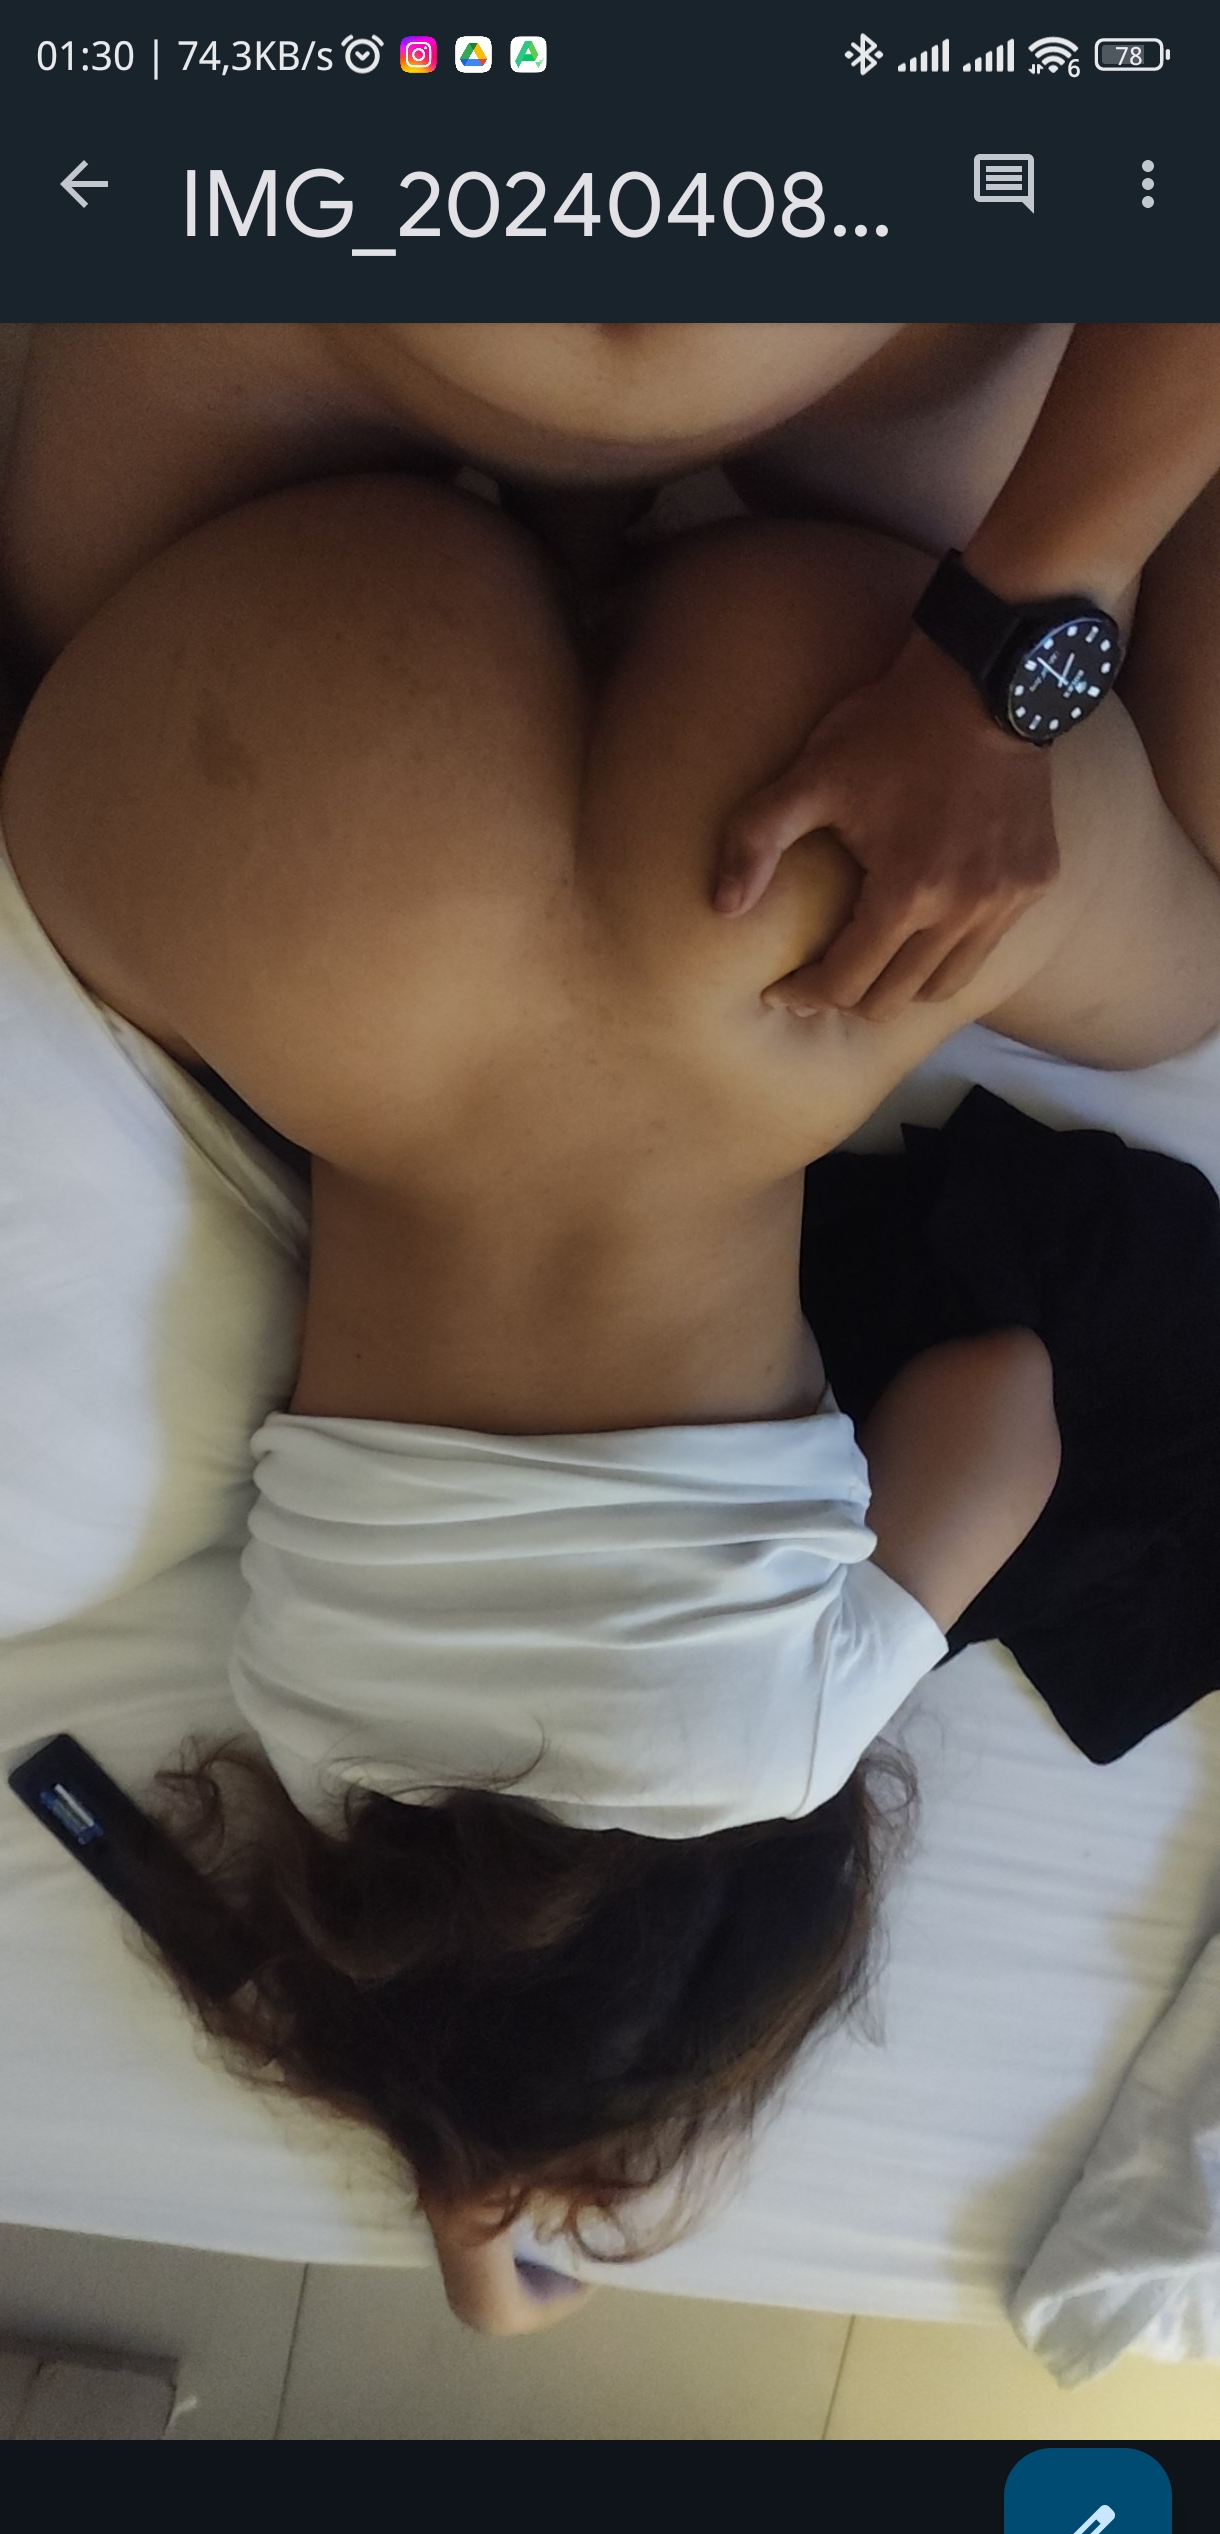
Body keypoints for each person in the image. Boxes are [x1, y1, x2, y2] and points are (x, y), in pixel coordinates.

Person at [5, 465, 1220, 2335]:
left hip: (767, 905)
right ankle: (517, 497)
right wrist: (462, 2165)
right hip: (336, 856)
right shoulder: (320, 1736)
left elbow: (1008, 1401)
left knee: (1187, 987)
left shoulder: (781, 1752)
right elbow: (425, 2010)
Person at [5, 321, 1220, 1018]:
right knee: (73, 702)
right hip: (308, 314)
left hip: (887, 353)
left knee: (1184, 941)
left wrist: (1002, 657)